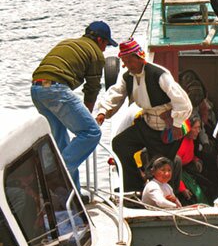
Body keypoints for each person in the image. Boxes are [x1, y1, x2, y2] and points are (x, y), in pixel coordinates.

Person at [95, 38, 192, 192]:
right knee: (120, 144)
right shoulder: (128, 76)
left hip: (165, 127)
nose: (127, 65)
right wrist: (102, 111)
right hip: (146, 124)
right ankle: (132, 187)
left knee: (162, 164)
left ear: (140, 57)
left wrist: (176, 124)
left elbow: (182, 101)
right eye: (124, 61)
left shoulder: (159, 74)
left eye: (129, 61)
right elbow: (116, 93)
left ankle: (169, 197)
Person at [31, 21, 117, 191]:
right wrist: (87, 115)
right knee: (91, 132)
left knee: (61, 142)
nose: (105, 49)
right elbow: (92, 89)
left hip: (37, 90)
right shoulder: (95, 54)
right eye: (106, 44)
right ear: (100, 40)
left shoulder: (68, 42)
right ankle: (58, 175)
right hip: (56, 89)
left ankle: (72, 194)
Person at [176, 114, 218, 203]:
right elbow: (174, 168)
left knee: (209, 186)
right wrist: (182, 188)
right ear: (188, 128)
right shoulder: (179, 144)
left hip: (188, 172)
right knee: (196, 196)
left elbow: (189, 154)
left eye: (199, 128)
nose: (198, 131)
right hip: (179, 175)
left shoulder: (191, 140)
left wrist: (195, 160)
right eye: (195, 128)